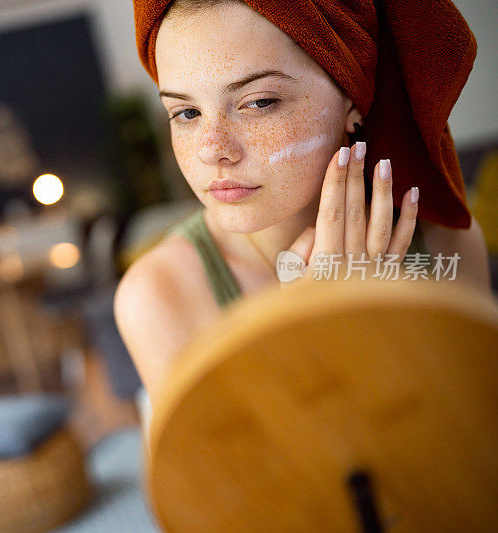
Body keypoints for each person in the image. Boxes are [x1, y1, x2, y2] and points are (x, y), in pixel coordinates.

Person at [114, 0, 492, 401]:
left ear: (351, 98)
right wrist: (313, 335)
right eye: (187, 113)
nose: (212, 150)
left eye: (259, 102)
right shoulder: (159, 296)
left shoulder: (443, 246)